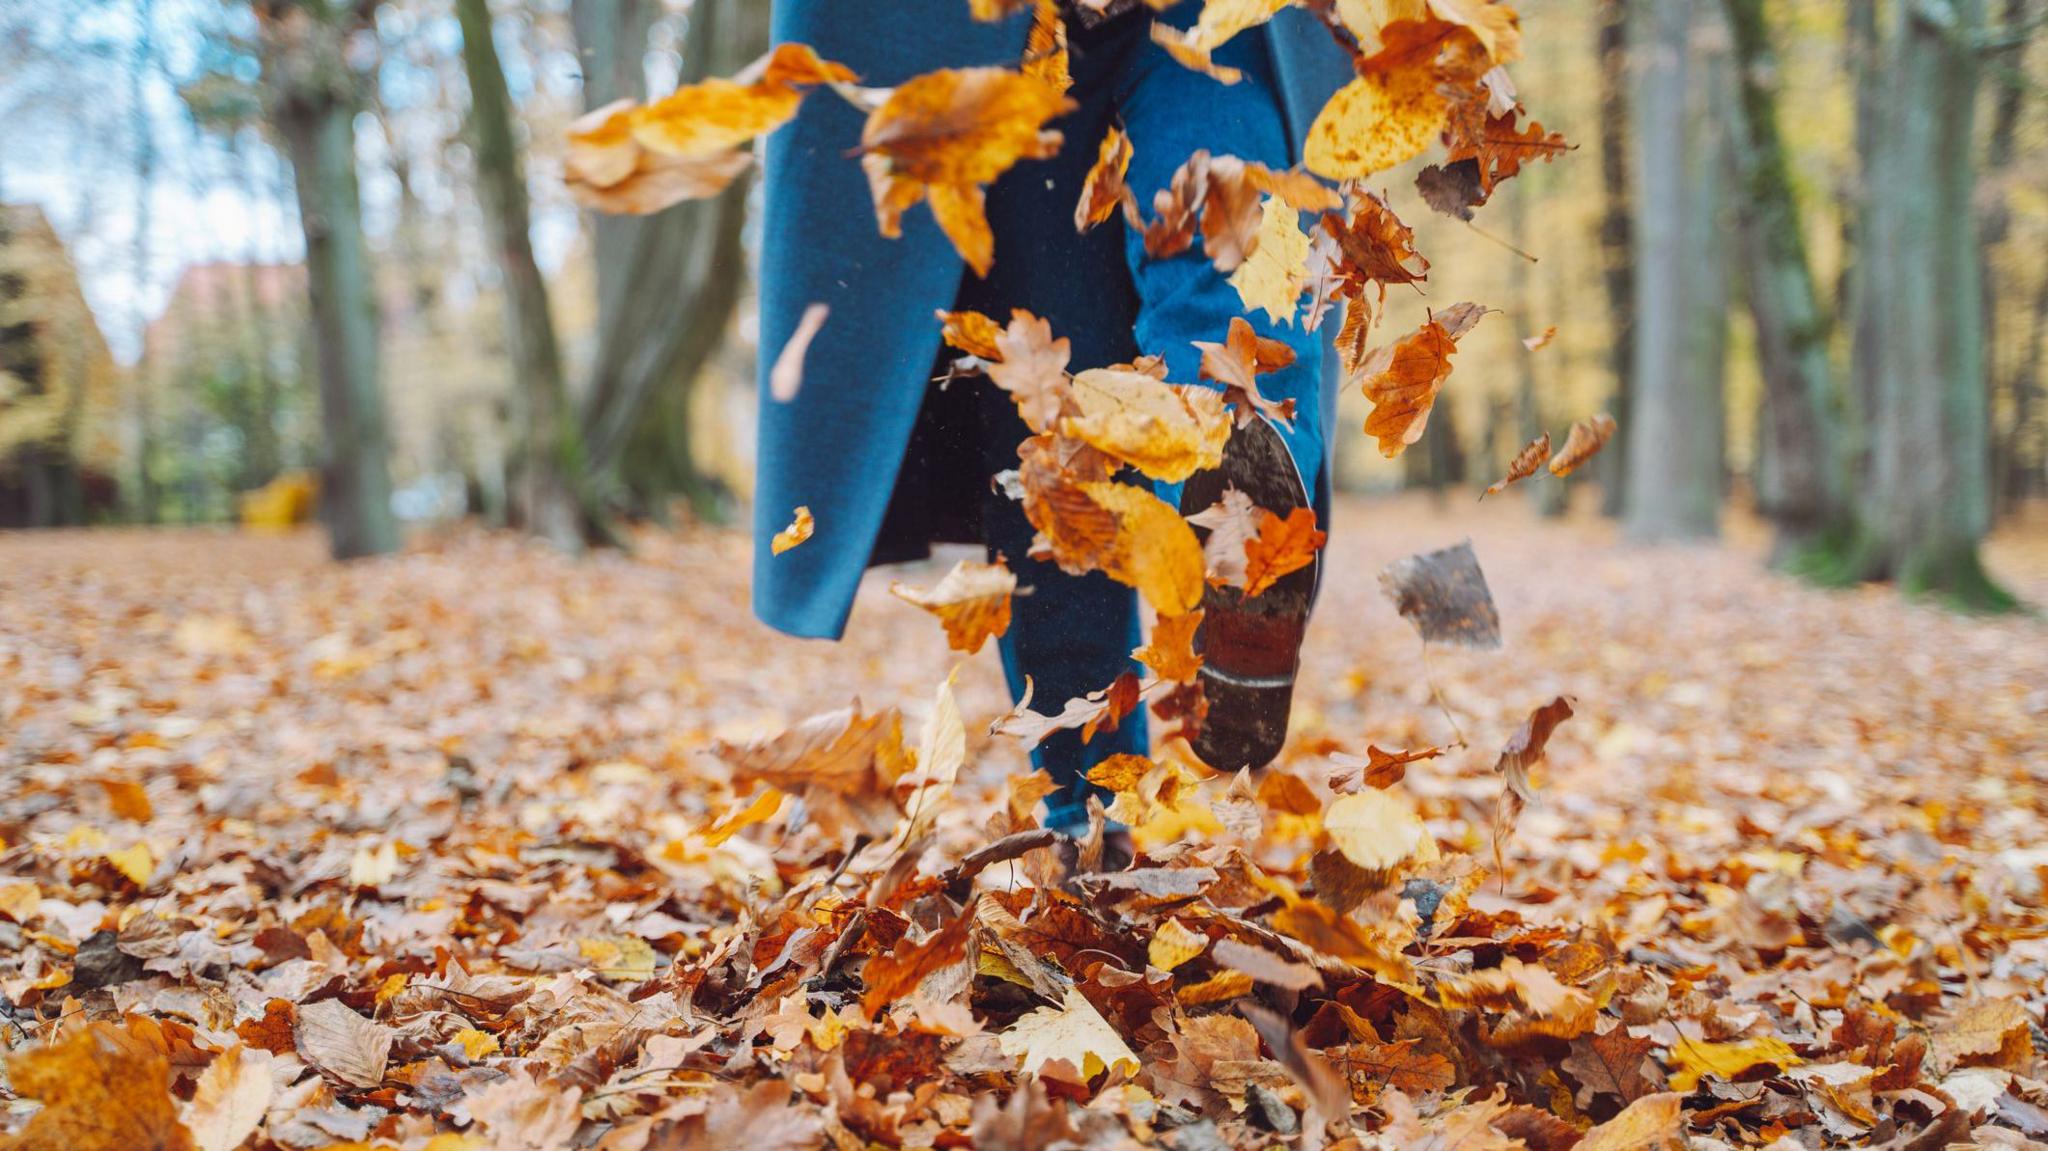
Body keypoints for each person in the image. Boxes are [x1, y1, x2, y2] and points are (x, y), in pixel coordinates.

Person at [751, 0, 1350, 834]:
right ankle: (1238, 480)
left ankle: (1240, 531)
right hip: (1025, 35)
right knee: (1077, 400)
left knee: (1069, 399)